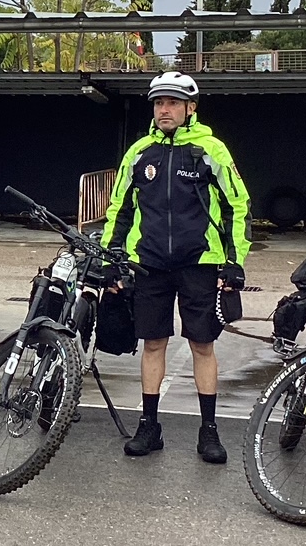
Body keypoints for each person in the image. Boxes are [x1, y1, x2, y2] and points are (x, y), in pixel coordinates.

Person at [101, 71, 250, 464]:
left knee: (202, 345)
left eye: (171, 103)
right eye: (158, 103)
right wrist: (110, 258)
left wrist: (235, 262)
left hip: (199, 263)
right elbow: (119, 208)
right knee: (153, 344)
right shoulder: (139, 152)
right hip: (149, 264)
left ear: (190, 108)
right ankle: (149, 426)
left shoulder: (210, 150)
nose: (164, 110)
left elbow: (238, 207)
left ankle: (209, 431)